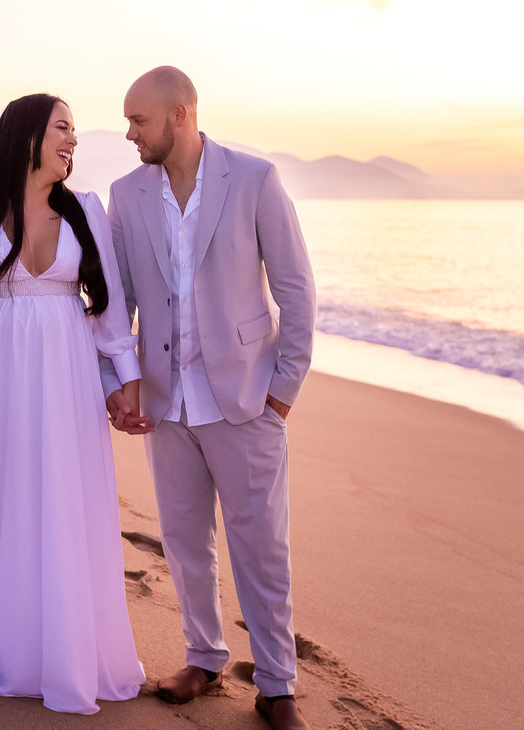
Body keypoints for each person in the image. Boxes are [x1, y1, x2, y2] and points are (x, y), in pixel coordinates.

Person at [100, 67, 317, 730]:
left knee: (262, 545)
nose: (130, 133)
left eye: (139, 120)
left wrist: (281, 393)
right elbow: (120, 303)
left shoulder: (254, 179)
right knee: (184, 540)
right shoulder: (125, 193)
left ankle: (277, 682)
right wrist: (121, 383)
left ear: (181, 115)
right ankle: (203, 655)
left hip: (246, 400)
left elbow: (296, 288)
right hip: (167, 404)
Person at [0, 93, 146, 714]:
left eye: (76, 131)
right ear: (25, 138)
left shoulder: (85, 211)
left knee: (60, 501)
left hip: (63, 383)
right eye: (62, 129)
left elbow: (109, 312)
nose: (73, 141)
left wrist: (125, 381)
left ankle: (59, 651)